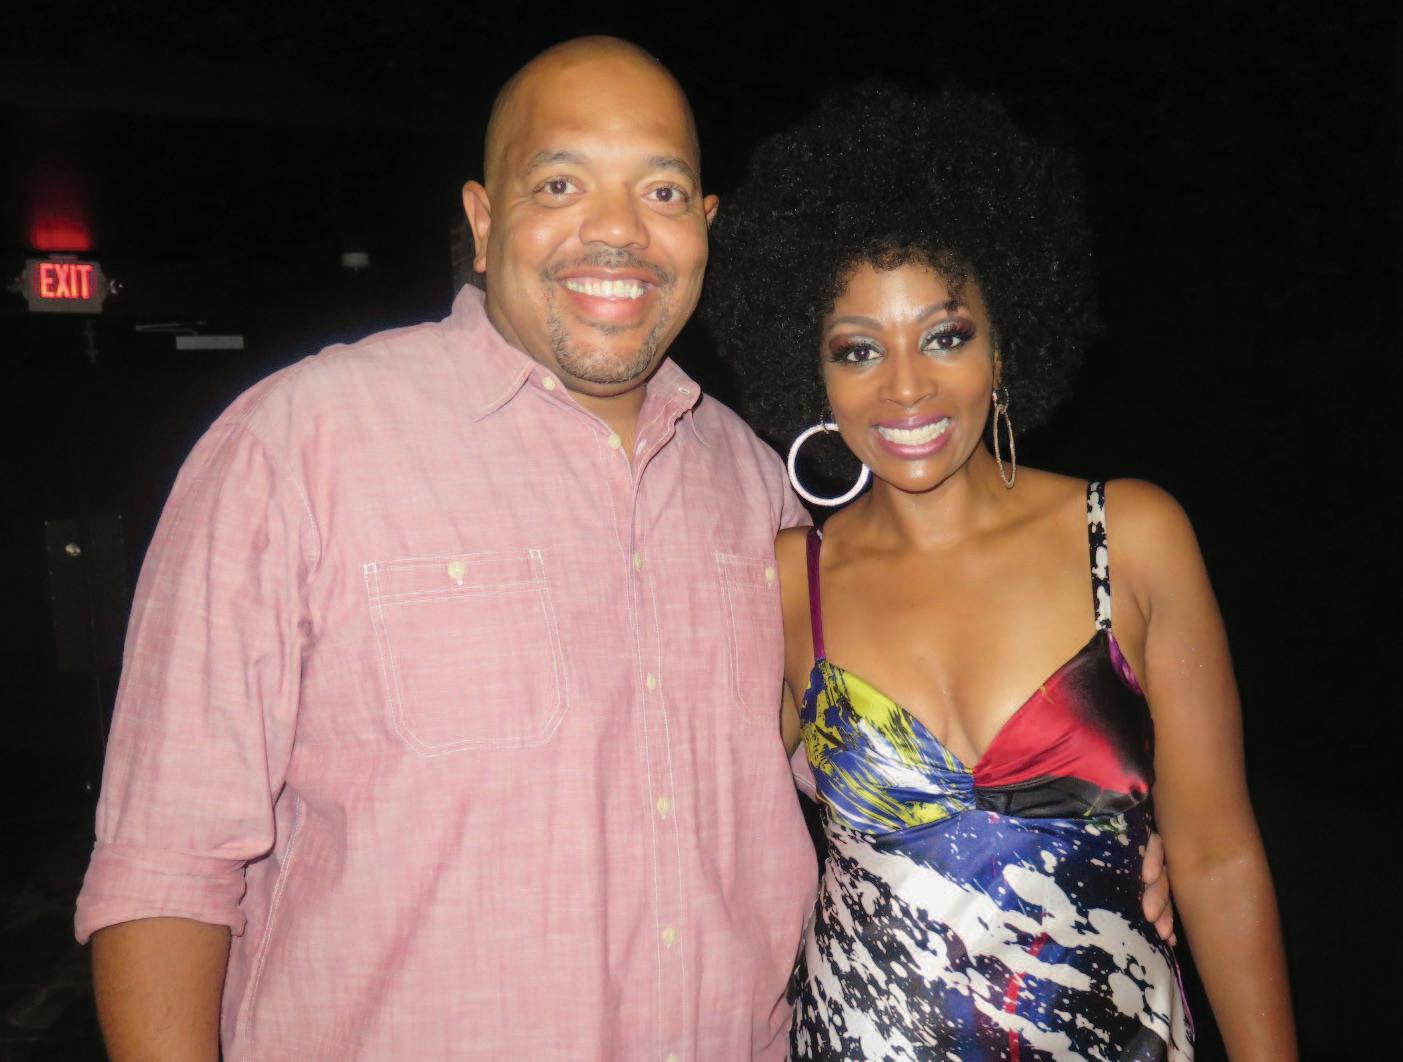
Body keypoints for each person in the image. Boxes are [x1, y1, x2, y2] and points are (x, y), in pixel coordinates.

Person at [75, 38, 1173, 1060]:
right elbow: (163, 869)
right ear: (483, 220)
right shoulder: (298, 447)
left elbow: (880, 772)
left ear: (705, 226)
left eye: (660, 192)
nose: (619, 233)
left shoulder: (755, 487)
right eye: (560, 185)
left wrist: (1088, 821)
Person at [704, 85, 1297, 1060]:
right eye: (858, 349)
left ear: (1004, 340)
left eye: (946, 335)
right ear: (812, 373)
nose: (905, 386)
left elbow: (1218, 857)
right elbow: (700, 827)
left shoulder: (1130, 537)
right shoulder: (789, 579)